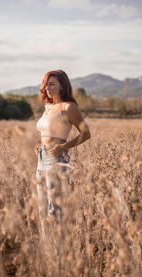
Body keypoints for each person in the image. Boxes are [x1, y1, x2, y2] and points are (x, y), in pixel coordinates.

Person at [35, 70, 91, 241]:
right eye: (46, 84)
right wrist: (40, 146)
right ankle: (47, 255)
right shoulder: (48, 107)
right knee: (42, 208)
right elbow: (47, 132)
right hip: (41, 159)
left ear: (62, 85)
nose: (47, 88)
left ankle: (59, 256)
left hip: (57, 159)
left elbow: (86, 133)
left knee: (54, 210)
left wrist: (64, 147)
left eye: (52, 84)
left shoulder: (68, 107)